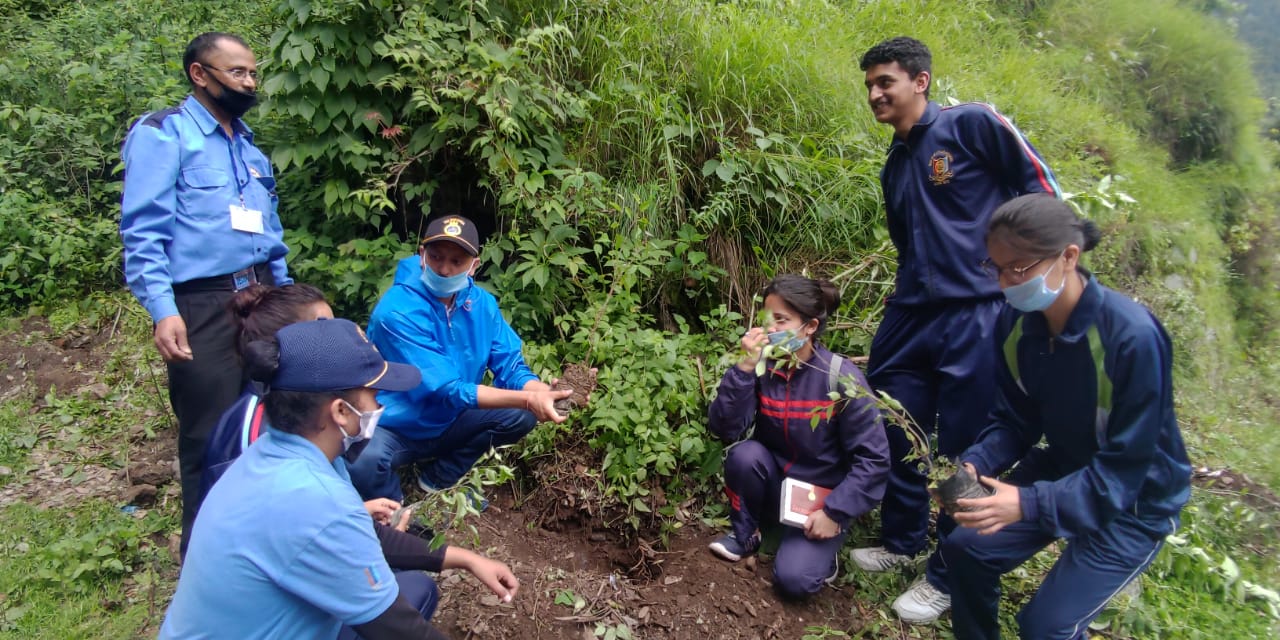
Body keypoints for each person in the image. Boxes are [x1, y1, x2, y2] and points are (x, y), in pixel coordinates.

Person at [848, 36, 1063, 624]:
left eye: (885, 81)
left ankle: (947, 572)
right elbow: (905, 241)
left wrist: (1031, 273)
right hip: (912, 313)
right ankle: (902, 541)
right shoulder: (895, 164)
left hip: (978, 311)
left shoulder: (971, 125)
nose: (875, 94)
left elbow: (1040, 187)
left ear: (920, 81)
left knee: (968, 446)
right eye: (869, 85)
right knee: (897, 424)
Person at [159, 318, 520, 639]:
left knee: (414, 589)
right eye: (374, 395)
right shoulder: (318, 501)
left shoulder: (270, 453)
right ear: (341, 412)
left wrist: (466, 559)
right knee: (405, 601)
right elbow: (397, 628)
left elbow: (364, 533)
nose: (379, 406)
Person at [938, 194, 1190, 638]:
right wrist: (977, 461)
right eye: (997, 268)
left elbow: (1125, 467)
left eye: (1019, 268)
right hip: (1066, 466)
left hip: (1135, 498)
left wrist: (1027, 503)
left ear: (1069, 257)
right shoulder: (1016, 325)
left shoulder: (1131, 337)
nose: (1006, 283)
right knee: (967, 550)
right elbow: (1015, 419)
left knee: (1045, 626)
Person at [119, 31, 290, 556]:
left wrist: (285, 296)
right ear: (200, 74)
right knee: (209, 433)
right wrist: (162, 309)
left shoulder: (249, 146)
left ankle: (262, 541)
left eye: (253, 73)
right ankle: (204, 557)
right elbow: (143, 231)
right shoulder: (164, 135)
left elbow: (269, 230)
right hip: (203, 302)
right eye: (237, 72)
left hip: (260, 296)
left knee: (269, 417)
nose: (249, 82)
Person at [347, 215, 572, 503]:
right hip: (397, 427)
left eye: (456, 261)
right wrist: (529, 399)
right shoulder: (395, 312)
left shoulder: (482, 304)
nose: (444, 269)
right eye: (436, 257)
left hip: (452, 419)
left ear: (474, 266)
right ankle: (393, 510)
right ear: (422, 255)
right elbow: (447, 390)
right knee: (363, 459)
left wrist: (542, 392)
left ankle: (439, 478)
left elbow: (509, 365)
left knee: (521, 415)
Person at [705, 274, 890, 599]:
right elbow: (724, 428)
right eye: (767, 319)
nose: (771, 328)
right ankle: (746, 534)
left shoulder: (840, 378)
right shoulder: (764, 367)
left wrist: (834, 512)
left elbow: (874, 459)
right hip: (777, 482)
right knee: (744, 456)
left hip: (821, 499)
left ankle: (824, 544)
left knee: (795, 581)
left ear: (810, 326)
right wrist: (745, 367)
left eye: (781, 320)